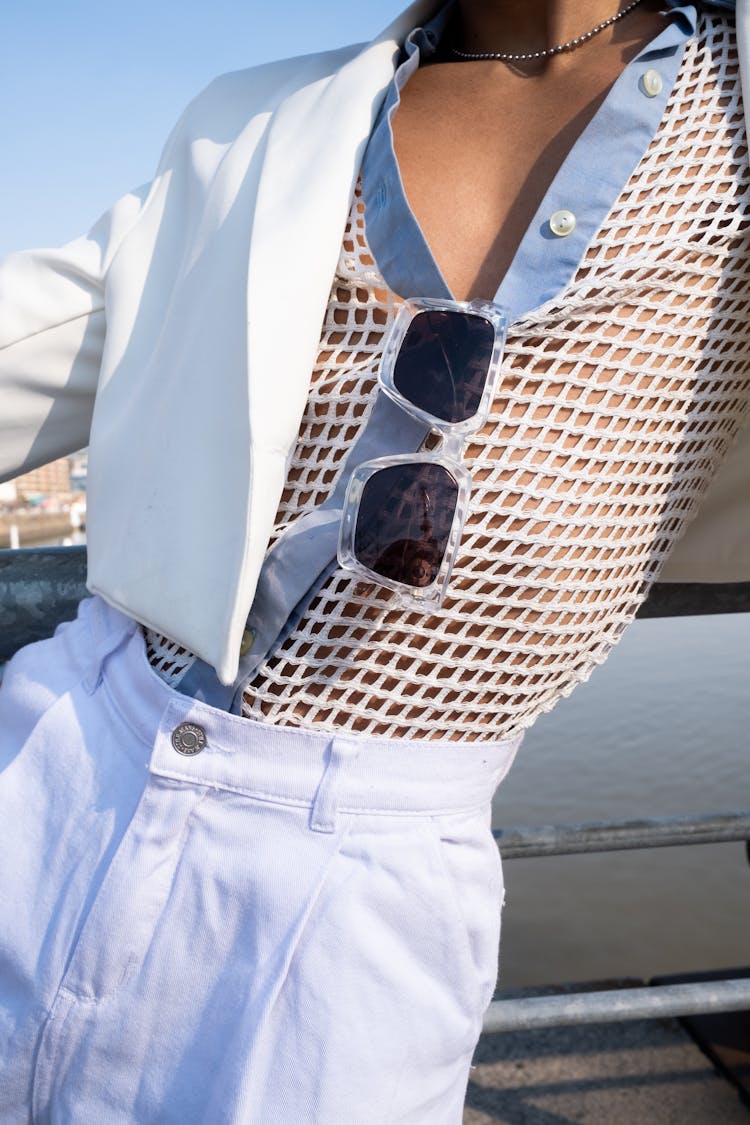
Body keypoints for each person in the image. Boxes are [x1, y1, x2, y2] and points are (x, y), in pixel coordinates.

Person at [0, 0, 747, 1121]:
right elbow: (36, 342)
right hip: (59, 770)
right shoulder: (255, 118)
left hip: (365, 904)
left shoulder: (731, 103)